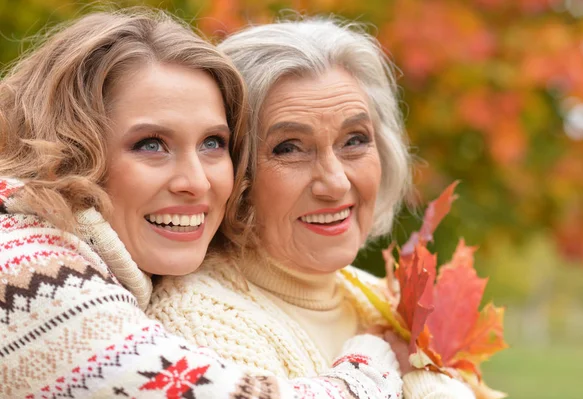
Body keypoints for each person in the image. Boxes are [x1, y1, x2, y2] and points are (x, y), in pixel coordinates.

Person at [0, 9, 403, 398]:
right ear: (70, 154)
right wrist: (375, 363)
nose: (197, 182)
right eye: (151, 145)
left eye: (213, 143)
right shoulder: (30, 269)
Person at [147, 18, 475, 398]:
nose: (335, 182)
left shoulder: (382, 297)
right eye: (289, 148)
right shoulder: (198, 322)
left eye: (354, 140)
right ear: (236, 170)